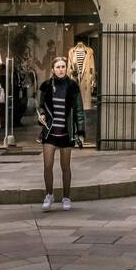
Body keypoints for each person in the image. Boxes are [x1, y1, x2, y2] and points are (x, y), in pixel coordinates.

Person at [36, 55, 85, 211]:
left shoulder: (73, 86)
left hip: (66, 132)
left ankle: (66, 197)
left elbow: (79, 110)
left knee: (65, 167)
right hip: (50, 132)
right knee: (47, 165)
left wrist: (81, 132)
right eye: (58, 67)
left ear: (67, 68)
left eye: (63, 66)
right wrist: (42, 114)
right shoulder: (46, 86)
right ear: (53, 69)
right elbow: (40, 106)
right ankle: (49, 196)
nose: (61, 69)